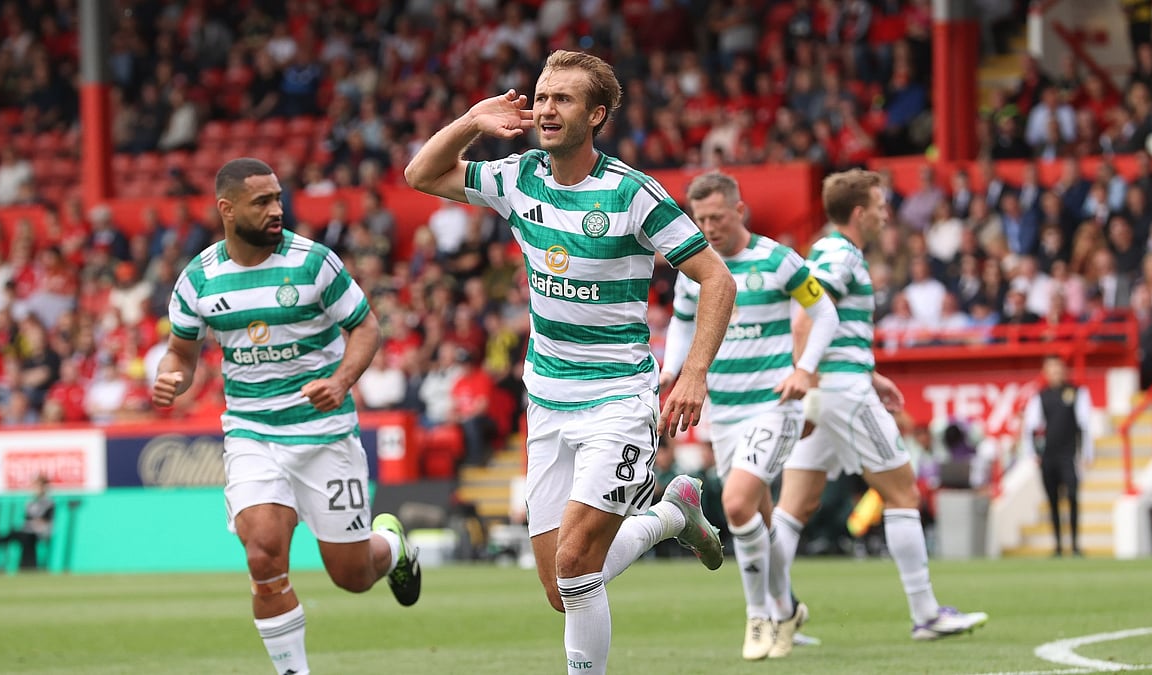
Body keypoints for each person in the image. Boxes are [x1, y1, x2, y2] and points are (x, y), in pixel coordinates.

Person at [404, 49, 736, 675]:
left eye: (563, 99)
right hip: (546, 401)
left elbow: (716, 279)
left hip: (617, 399)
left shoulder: (634, 194)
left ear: (597, 114)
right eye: (542, 96)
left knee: (578, 561)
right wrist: (476, 119)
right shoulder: (516, 176)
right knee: (563, 589)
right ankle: (671, 515)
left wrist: (692, 373)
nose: (546, 109)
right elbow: (420, 174)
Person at [151, 158, 421, 675]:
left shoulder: (315, 262)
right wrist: (171, 377)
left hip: (324, 435)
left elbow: (366, 330)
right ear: (226, 210)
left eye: (278, 198)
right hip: (253, 434)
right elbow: (181, 354)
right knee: (263, 556)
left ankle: (391, 544)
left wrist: (340, 382)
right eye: (262, 202)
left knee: (352, 575)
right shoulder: (198, 279)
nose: (277, 209)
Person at [769, 169, 988, 653]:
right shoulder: (839, 253)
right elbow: (808, 312)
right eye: (882, 205)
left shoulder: (831, 251)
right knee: (904, 493)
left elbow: (829, 326)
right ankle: (926, 614)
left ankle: (775, 615)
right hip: (841, 394)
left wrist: (865, 373)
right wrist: (807, 374)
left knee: (794, 506)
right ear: (861, 212)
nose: (888, 213)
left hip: (839, 385)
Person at [660, 171, 839, 661]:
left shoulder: (777, 260)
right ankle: (786, 608)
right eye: (700, 218)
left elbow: (825, 315)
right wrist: (671, 370)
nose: (708, 226)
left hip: (774, 405)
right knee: (758, 518)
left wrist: (804, 370)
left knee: (737, 505)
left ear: (740, 212)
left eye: (716, 217)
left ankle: (759, 615)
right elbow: (680, 323)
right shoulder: (694, 268)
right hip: (726, 412)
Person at [1020, 355, 1094, 557]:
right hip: (1049, 455)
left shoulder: (1077, 393)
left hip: (1069, 454)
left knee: (1072, 496)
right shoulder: (1040, 396)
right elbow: (1031, 427)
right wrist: (1032, 453)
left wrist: (1087, 453)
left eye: (1058, 369)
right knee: (1052, 499)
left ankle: (1075, 544)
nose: (1056, 373)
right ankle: (1059, 546)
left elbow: (1085, 425)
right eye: (1051, 369)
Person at [0, 474, 54, 570]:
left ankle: (29, 566)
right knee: (3, 536)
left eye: (37, 486)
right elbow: (27, 519)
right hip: (27, 530)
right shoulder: (30, 502)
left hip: (39, 533)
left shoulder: (48, 503)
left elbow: (46, 522)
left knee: (28, 539)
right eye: (34, 486)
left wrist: (36, 523)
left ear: (44, 487)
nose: (35, 488)